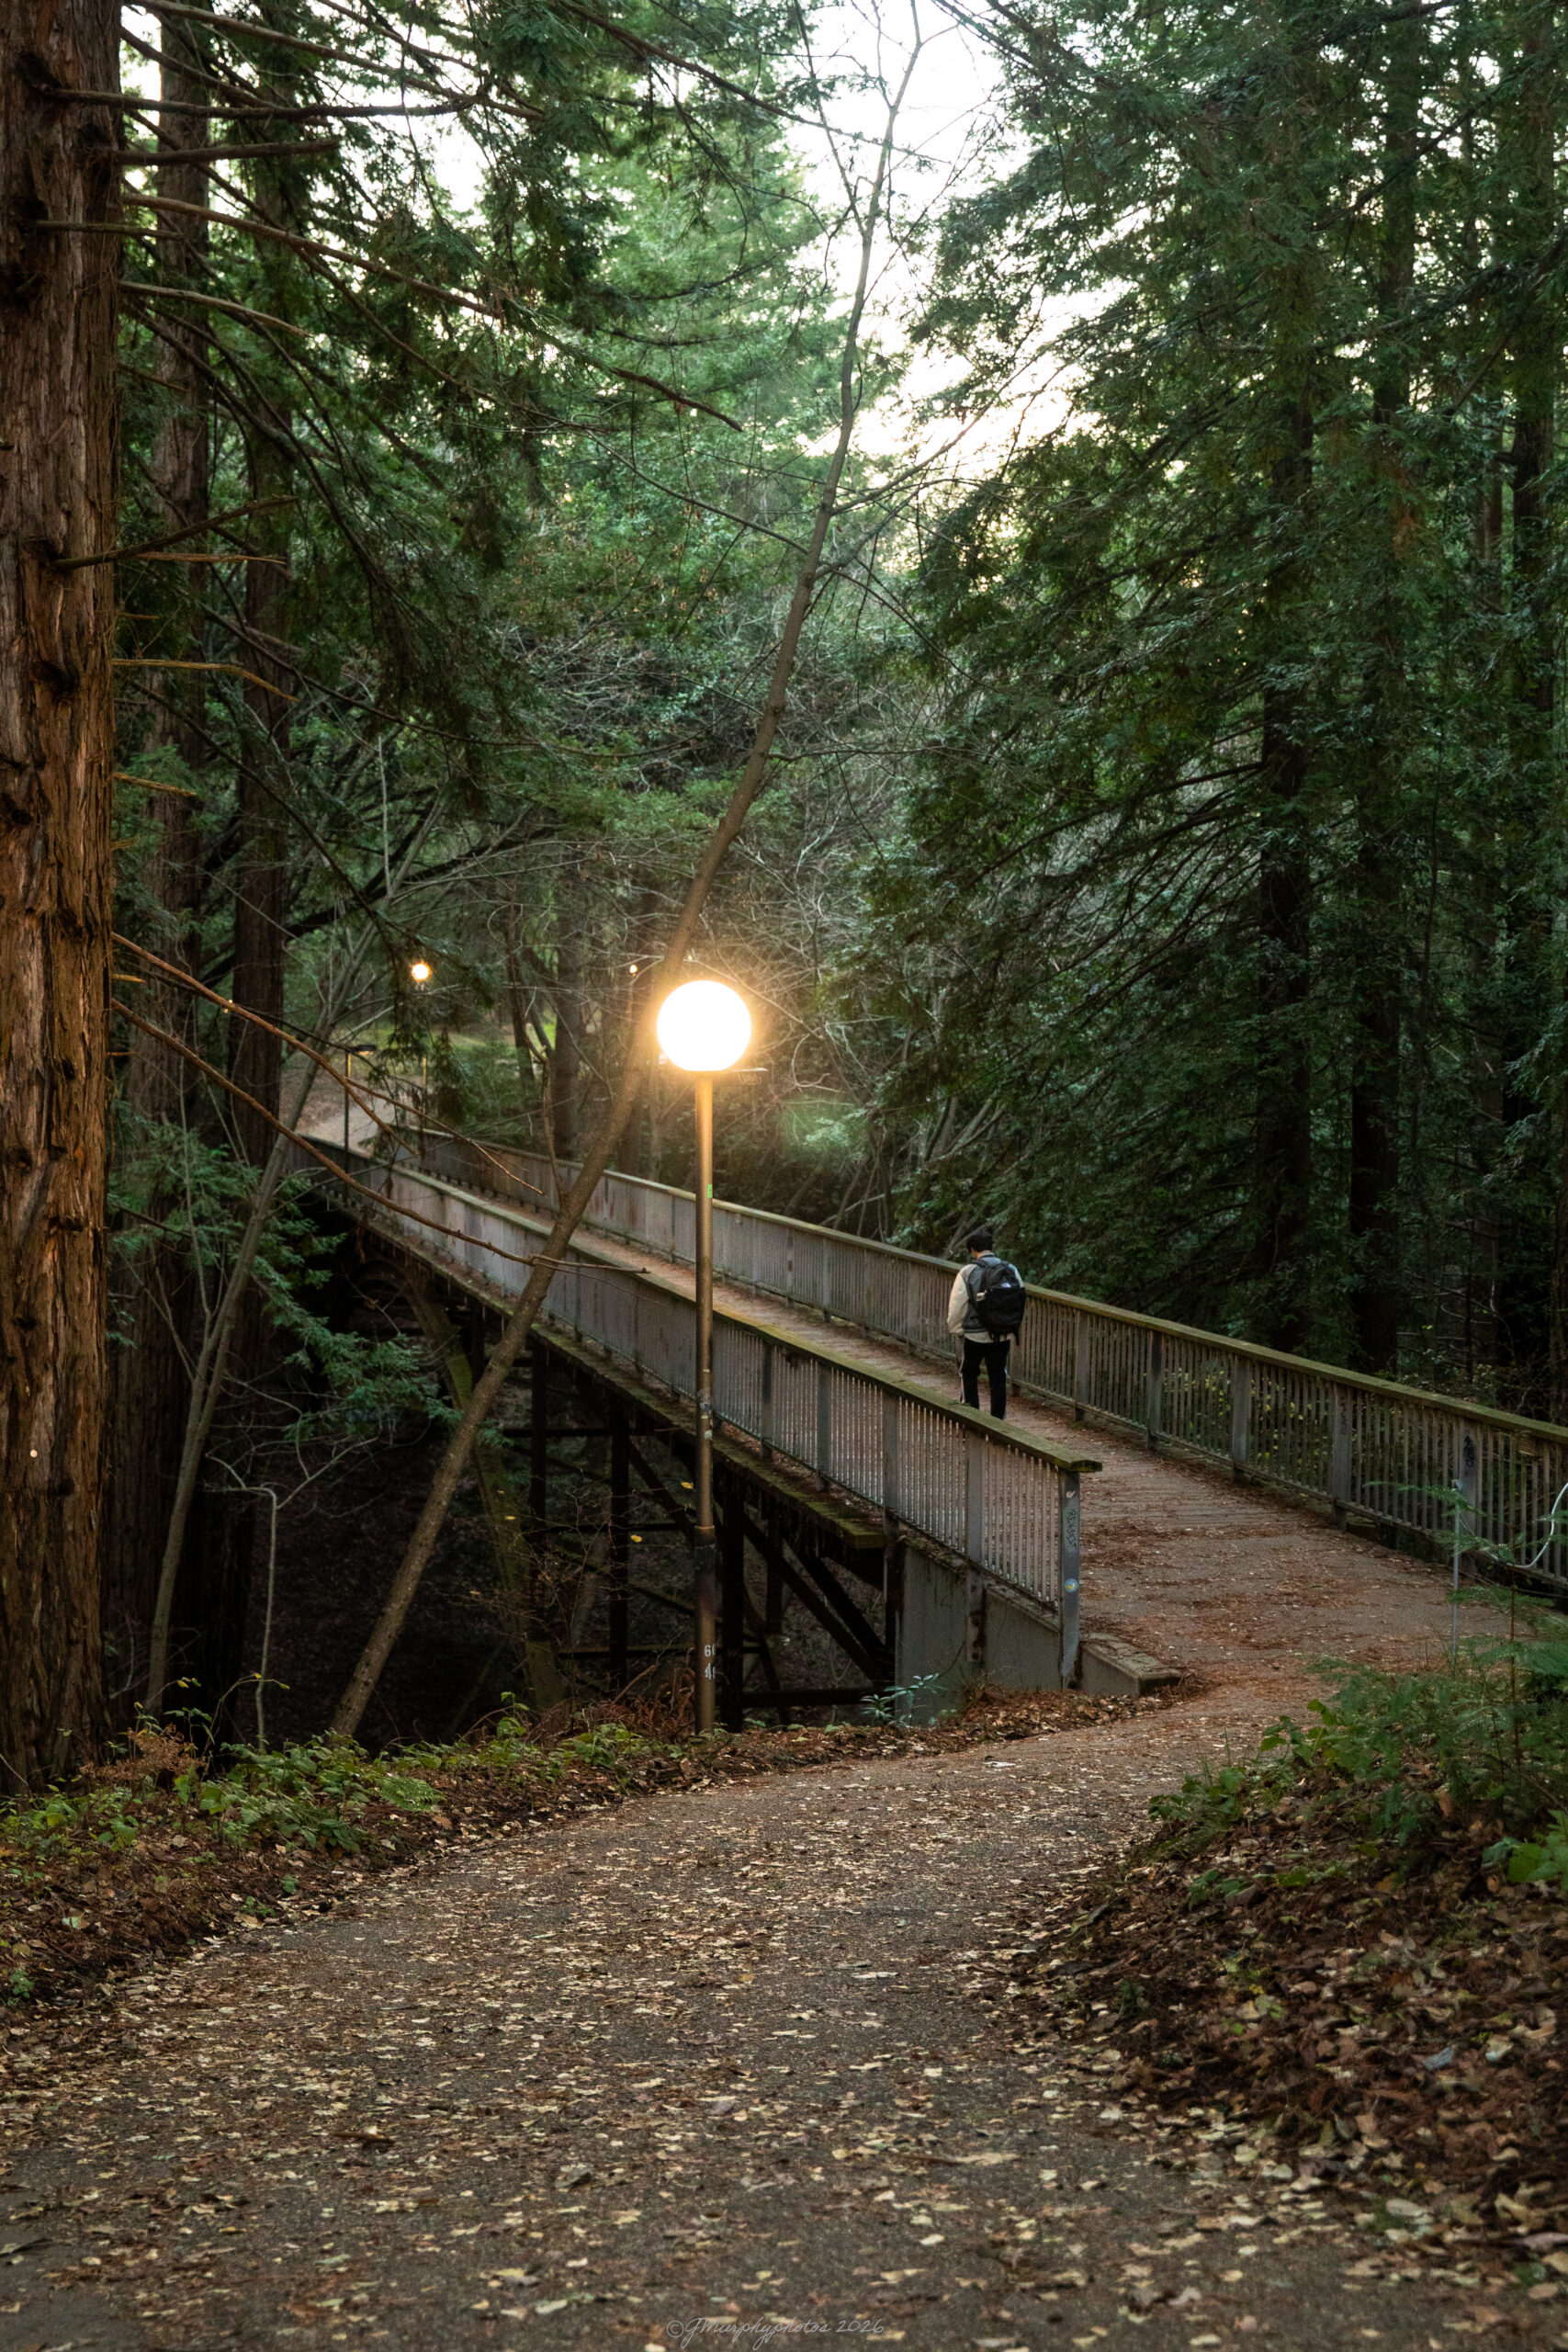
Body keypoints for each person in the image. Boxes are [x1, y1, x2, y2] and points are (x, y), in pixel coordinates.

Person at [946, 1225, 1026, 1419]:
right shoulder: (1010, 1269)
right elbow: (1020, 1298)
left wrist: (957, 1329)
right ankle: (997, 1423)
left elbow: (957, 1306)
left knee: (969, 1374)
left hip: (975, 1335)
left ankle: (971, 1420)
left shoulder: (967, 1272)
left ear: (972, 1250)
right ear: (991, 1246)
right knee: (998, 1378)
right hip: (1002, 1334)